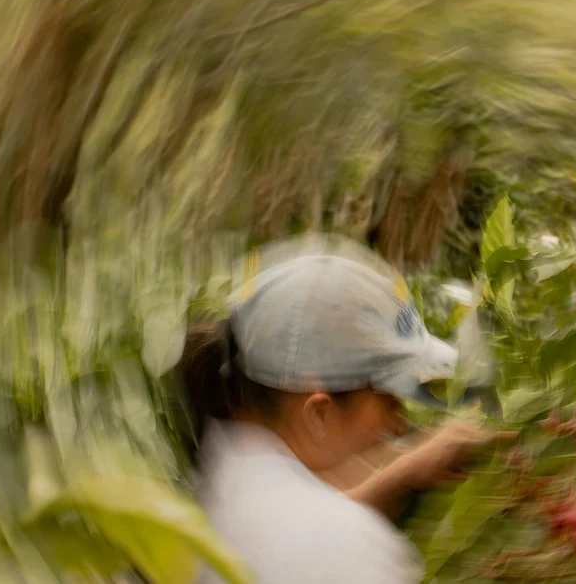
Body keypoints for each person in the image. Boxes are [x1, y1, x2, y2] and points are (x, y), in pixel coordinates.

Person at [180, 236, 501, 584]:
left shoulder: (212, 485)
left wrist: (401, 477)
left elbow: (294, 534)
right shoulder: (347, 550)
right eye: (390, 400)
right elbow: (323, 544)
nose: (399, 425)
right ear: (319, 412)